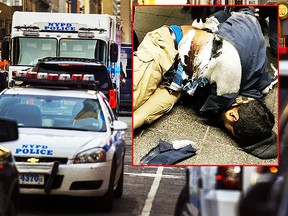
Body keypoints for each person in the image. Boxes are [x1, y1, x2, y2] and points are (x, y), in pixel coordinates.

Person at [133, 7, 277, 158]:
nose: (226, 129)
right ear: (234, 115)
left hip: (177, 82)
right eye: (229, 130)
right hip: (164, 48)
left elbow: (246, 15)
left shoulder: (253, 87)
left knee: (138, 118)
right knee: (128, 104)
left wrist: (243, 11)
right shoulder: (231, 66)